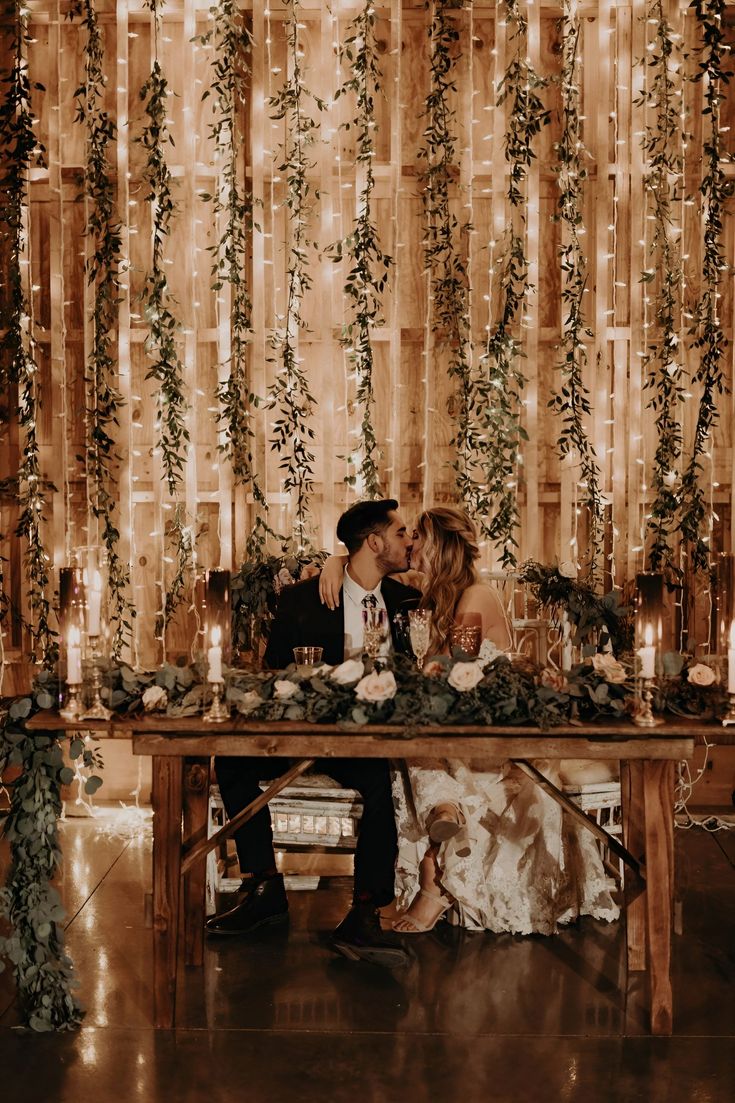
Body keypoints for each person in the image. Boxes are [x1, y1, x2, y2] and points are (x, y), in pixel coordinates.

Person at [318, 505, 620, 936]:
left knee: (414, 750)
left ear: (438, 544)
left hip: (491, 739)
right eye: (404, 536)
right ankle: (439, 832)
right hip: (461, 725)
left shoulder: (474, 596)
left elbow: (454, 667)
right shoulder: (436, 597)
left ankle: (434, 871)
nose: (408, 544)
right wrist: (335, 561)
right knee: (405, 749)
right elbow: (366, 575)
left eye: (415, 536)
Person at [206, 498, 421, 967]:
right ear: (375, 541)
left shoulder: (408, 602)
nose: (411, 541)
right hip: (306, 732)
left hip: (370, 741)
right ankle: (264, 886)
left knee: (382, 781)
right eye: (402, 532)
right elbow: (274, 675)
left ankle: (365, 913)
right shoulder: (302, 599)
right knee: (233, 761)